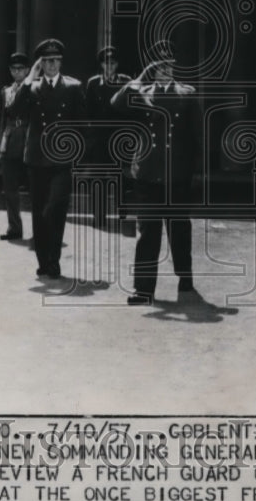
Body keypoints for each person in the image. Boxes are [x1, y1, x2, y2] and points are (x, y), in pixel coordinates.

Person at [111, 39, 203, 306]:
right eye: (159, 65)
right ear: (151, 68)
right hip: (147, 173)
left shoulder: (187, 93)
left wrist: (197, 172)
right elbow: (116, 103)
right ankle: (144, 290)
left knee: (178, 229)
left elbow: (198, 137)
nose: (164, 69)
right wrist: (140, 77)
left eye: (168, 65)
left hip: (177, 174)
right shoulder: (142, 92)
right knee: (147, 233)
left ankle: (184, 274)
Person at [14, 38, 85, 279]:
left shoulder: (73, 87)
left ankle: (53, 260)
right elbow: (15, 111)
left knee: (54, 210)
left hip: (62, 161)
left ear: (61, 62)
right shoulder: (31, 88)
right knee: (38, 212)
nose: (52, 65)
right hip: (37, 159)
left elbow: (82, 125)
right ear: (40, 64)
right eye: (46, 61)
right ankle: (43, 261)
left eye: (55, 61)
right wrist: (27, 80)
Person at [84, 46, 132, 229]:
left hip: (119, 137)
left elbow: (131, 108)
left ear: (117, 64)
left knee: (120, 177)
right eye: (106, 63)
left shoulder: (125, 82)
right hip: (99, 139)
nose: (109, 66)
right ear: (102, 65)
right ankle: (99, 216)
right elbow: (88, 111)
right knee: (98, 178)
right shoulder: (93, 83)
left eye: (113, 63)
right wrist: (90, 136)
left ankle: (122, 213)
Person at [0, 51, 30, 241]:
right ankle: (14, 228)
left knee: (35, 187)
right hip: (10, 140)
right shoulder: (6, 91)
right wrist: (0, 145)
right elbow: (3, 118)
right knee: (9, 188)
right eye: (14, 69)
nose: (17, 72)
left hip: (28, 139)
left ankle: (40, 228)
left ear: (27, 71)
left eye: (21, 69)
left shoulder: (33, 88)